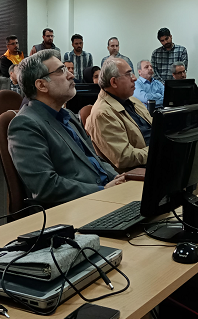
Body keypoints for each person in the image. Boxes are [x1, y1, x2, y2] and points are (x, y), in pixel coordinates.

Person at [7, 49, 124, 207]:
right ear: (41, 85)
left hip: (105, 197)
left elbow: (96, 160)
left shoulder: (68, 115)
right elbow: (46, 187)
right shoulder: (25, 124)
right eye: (61, 71)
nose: (71, 75)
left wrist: (118, 179)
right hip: (76, 208)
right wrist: (102, 191)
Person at [86, 58, 152, 172]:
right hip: (138, 172)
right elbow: (124, 158)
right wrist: (159, 150)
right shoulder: (102, 113)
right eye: (128, 74)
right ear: (114, 82)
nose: (134, 78)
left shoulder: (133, 100)